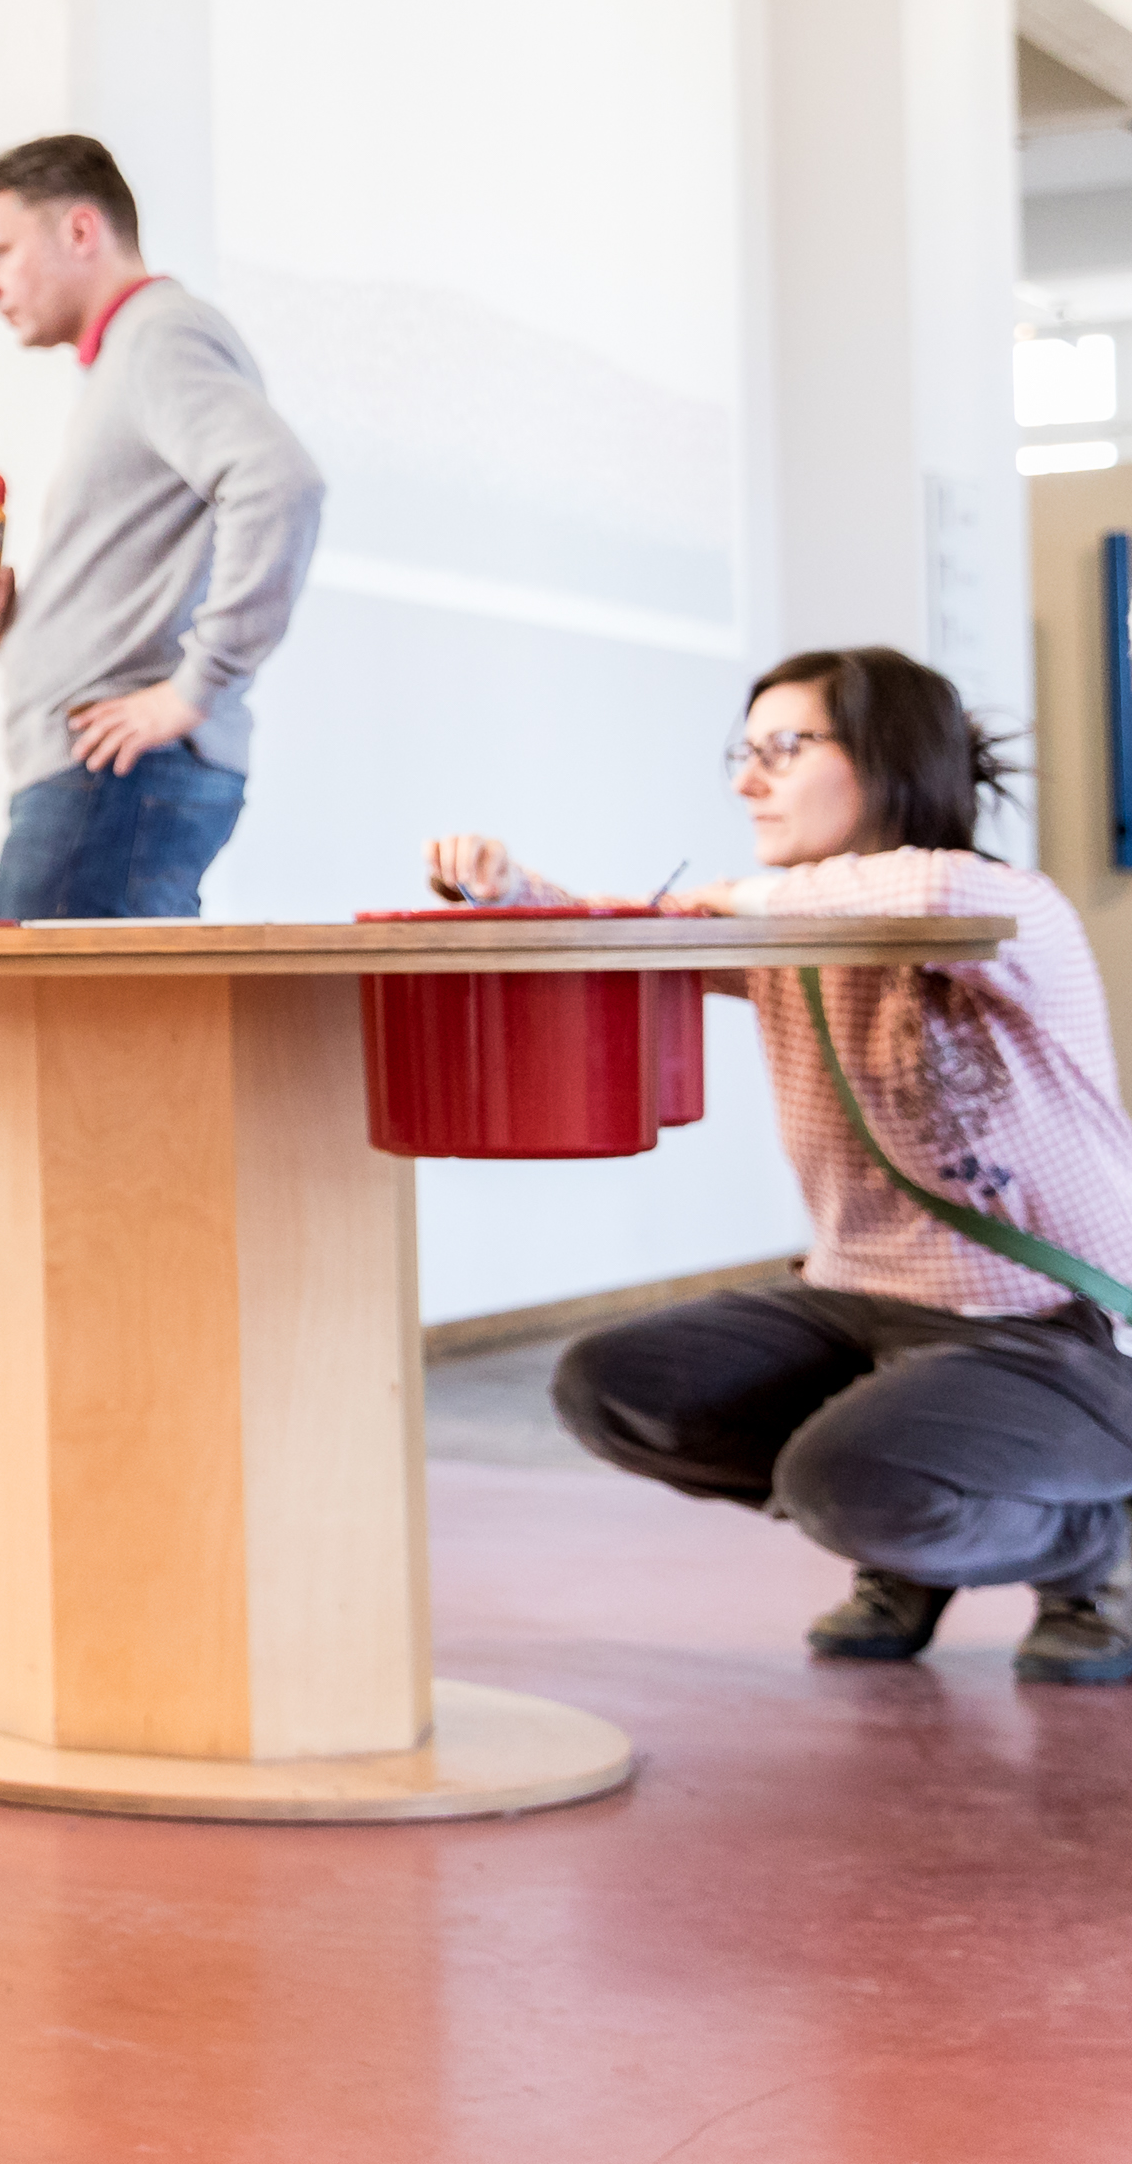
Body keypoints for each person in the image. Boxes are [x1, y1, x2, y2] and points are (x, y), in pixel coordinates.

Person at [431, 647, 1132, 1684]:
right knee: (612, 1385)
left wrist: (738, 899)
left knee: (843, 1478)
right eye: (742, 751)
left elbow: (925, 887)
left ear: (887, 759)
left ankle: (1093, 1548)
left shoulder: (999, 903)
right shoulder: (784, 925)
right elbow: (629, 942)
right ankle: (906, 1531)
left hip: (1044, 1323)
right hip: (855, 1299)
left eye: (782, 749)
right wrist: (509, 893)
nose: (743, 780)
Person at [0, 134, 323, 920]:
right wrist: (15, 628)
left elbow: (279, 481)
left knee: (44, 1036)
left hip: (113, 779)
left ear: (81, 231)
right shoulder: (130, 353)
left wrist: (198, 685)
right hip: (102, 780)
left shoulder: (158, 336)